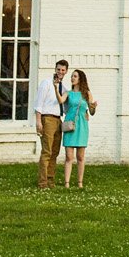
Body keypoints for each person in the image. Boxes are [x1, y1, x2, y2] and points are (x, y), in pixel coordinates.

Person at [33, 58, 70, 189]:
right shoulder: (46, 83)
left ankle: (51, 181)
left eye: (63, 70)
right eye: (59, 69)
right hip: (47, 119)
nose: (60, 72)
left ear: (66, 71)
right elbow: (38, 104)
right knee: (47, 152)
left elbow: (65, 107)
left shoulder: (64, 89)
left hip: (58, 120)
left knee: (55, 152)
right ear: (55, 69)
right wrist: (38, 122)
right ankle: (42, 183)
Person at [60, 69, 96, 189]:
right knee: (69, 157)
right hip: (70, 124)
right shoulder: (68, 93)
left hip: (82, 126)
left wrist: (93, 107)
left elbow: (91, 112)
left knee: (80, 157)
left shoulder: (87, 94)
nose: (72, 78)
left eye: (75, 76)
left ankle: (80, 182)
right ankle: (67, 183)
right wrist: (56, 87)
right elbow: (60, 100)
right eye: (71, 76)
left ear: (80, 79)